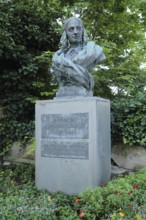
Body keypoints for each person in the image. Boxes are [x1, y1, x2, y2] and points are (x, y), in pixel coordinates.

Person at [52, 17, 106, 97]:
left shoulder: (93, 50)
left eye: (78, 28)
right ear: (66, 33)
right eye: (71, 29)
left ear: (83, 31)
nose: (75, 32)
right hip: (63, 91)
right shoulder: (58, 57)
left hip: (83, 92)